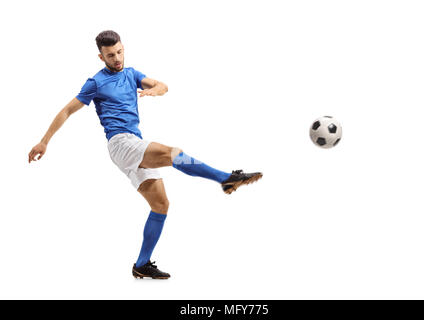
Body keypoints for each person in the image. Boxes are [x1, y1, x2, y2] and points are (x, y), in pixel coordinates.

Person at [28, 30, 262, 279]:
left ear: (123, 48)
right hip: (120, 143)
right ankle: (225, 178)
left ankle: (141, 265)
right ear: (101, 56)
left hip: (134, 143)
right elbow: (66, 110)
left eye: (119, 52)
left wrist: (155, 91)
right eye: (110, 55)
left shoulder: (131, 74)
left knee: (161, 205)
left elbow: (163, 86)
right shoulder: (96, 82)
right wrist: (44, 141)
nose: (116, 58)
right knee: (174, 153)